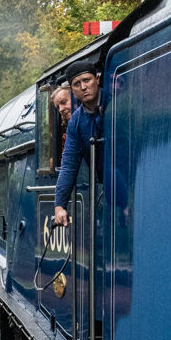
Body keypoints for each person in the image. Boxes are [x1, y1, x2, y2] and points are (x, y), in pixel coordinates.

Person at [52, 63, 105, 228]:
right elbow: (69, 165)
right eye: (77, 84)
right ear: (72, 90)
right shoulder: (75, 121)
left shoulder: (116, 101)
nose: (83, 87)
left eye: (87, 80)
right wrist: (59, 205)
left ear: (97, 79)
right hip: (108, 185)